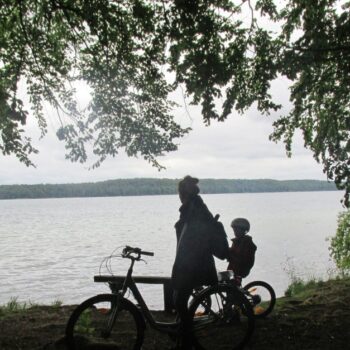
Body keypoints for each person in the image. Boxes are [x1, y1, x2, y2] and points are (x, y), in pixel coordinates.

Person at [171, 175, 225, 350]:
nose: (178, 196)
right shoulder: (193, 207)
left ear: (183, 193)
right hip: (190, 263)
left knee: (180, 302)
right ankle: (184, 337)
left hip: (193, 265)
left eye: (179, 192)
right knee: (178, 300)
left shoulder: (195, 209)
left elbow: (195, 240)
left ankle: (188, 340)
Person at [227, 218, 257, 285]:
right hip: (233, 268)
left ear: (244, 230)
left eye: (236, 230)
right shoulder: (237, 241)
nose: (235, 232)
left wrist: (230, 254)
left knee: (231, 286)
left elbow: (242, 258)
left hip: (239, 269)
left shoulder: (246, 242)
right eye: (234, 230)